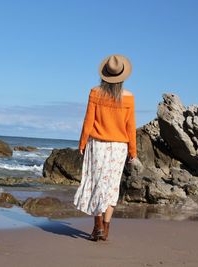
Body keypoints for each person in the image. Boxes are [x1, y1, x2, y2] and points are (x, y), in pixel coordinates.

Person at [73, 54, 137, 241]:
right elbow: (130, 127)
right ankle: (105, 229)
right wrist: (133, 152)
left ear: (104, 74)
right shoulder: (129, 98)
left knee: (96, 184)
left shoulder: (95, 92)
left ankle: (98, 225)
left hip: (98, 145)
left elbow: (88, 121)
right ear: (122, 75)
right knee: (111, 188)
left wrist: (82, 143)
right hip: (119, 147)